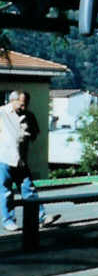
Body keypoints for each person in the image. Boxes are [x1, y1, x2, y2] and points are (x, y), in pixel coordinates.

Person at [0, 90, 59, 231]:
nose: (24, 108)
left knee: (29, 189)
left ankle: (41, 217)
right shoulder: (1, 113)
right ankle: (8, 220)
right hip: (4, 159)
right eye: (21, 105)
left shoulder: (29, 116)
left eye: (26, 104)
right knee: (5, 192)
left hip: (21, 161)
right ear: (12, 100)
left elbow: (34, 134)